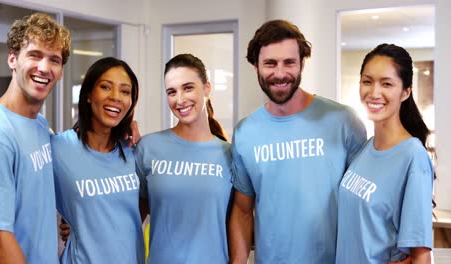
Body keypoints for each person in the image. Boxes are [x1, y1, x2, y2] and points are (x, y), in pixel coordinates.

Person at [229, 19, 367, 263]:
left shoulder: (343, 121)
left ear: (303, 63)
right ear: (256, 67)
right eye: (270, 63)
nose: (280, 74)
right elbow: (242, 211)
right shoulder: (245, 133)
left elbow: (365, 205)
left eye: (289, 62)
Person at [0, 13, 71, 263]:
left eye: (54, 60)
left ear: (61, 71)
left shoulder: (41, 126)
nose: (44, 67)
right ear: (13, 59)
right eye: (34, 55)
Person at [336, 44, 434, 264]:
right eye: (367, 81)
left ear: (406, 92)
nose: (374, 92)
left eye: (387, 84)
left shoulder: (413, 156)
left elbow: (421, 254)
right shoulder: (366, 148)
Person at [135, 54, 233, 263]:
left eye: (188, 88)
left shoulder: (229, 155)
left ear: (207, 88)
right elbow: (128, 217)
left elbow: (240, 223)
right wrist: (80, 226)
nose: (180, 100)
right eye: (172, 92)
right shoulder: (148, 148)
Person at [51, 57, 145, 263]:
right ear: (88, 94)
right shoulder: (58, 148)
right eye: (105, 87)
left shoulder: (135, 151)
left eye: (125, 91)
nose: (116, 97)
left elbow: (136, 208)